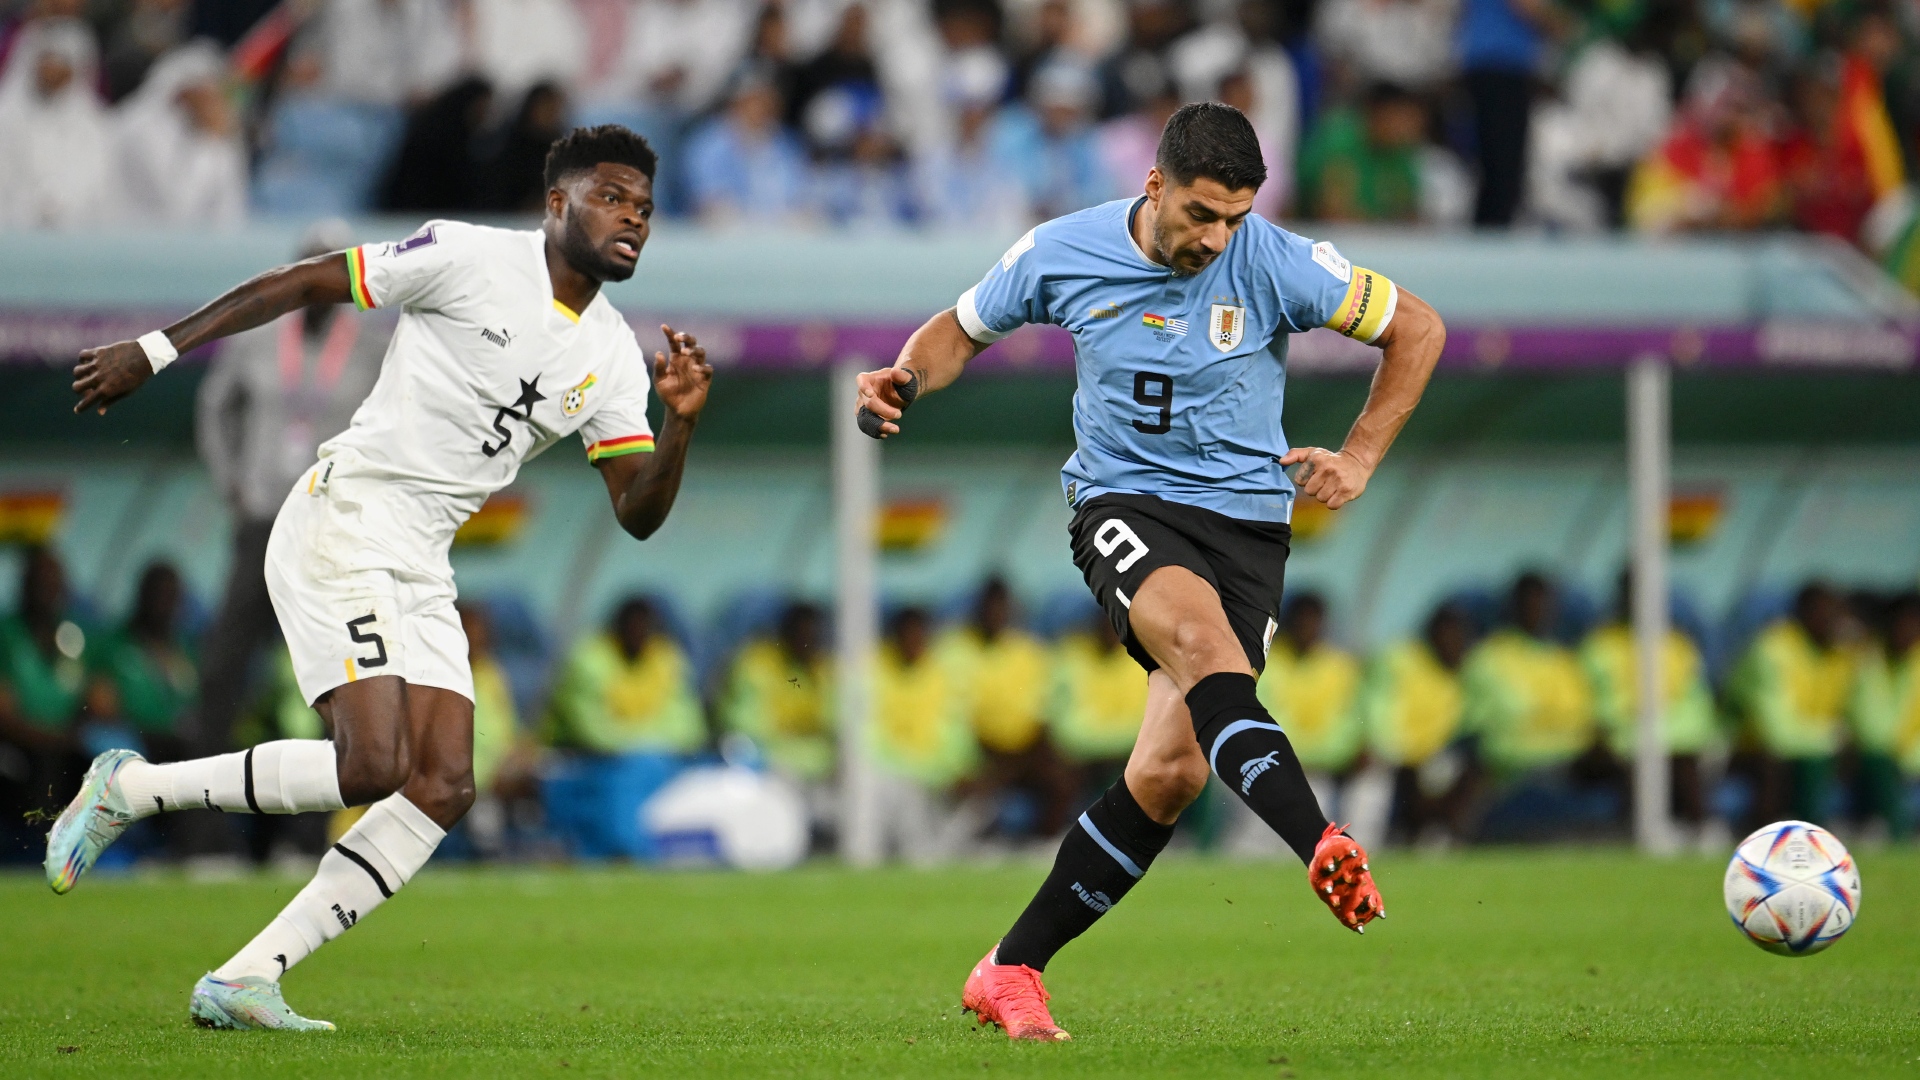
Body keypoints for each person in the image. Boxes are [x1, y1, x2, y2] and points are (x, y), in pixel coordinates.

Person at [49, 125, 714, 1031]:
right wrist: (159, 349)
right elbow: (309, 279)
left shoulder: (610, 351)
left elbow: (636, 513)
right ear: (555, 202)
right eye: (610, 196)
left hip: (421, 558)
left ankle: (246, 977)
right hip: (346, 516)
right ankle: (129, 791)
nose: (631, 218)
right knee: (372, 764)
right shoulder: (468, 255)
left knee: (443, 785)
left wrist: (678, 425)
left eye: (643, 207)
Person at [856, 101, 1446, 1040]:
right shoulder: (1062, 250)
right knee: (1204, 647)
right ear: (1155, 185)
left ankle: (1008, 970)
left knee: (1171, 772)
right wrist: (905, 377)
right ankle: (1320, 840)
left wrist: (1363, 455)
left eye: (1236, 218)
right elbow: (958, 330)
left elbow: (1417, 328)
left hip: (1249, 531)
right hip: (1124, 506)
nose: (1217, 238)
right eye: (1203, 214)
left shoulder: (1275, 261)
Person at [190, 218, 388, 859]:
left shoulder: (370, 345)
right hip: (261, 520)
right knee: (223, 672)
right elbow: (215, 407)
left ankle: (308, 838)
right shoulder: (257, 336)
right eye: (309, 268)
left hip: (327, 530)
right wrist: (232, 483)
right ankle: (204, 840)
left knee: (332, 683)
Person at [1579, 572, 1718, 840]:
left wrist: (1664, 734)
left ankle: (1701, 830)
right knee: (1639, 759)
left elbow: (1697, 707)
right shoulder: (1598, 646)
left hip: (1674, 741)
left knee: (1681, 758)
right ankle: (1644, 832)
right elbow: (1596, 707)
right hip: (1619, 742)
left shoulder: (1677, 645)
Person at [939, 578, 1077, 839]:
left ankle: (1044, 845)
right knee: (979, 785)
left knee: (1063, 777)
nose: (995, 614)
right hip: (980, 752)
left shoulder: (1028, 651)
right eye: (989, 608)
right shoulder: (955, 650)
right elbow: (955, 716)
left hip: (1023, 751)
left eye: (1001, 607)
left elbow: (1042, 712)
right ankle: (966, 846)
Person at [1242, 593, 1366, 854]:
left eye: (1315, 621)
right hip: (1273, 767)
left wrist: (1327, 757)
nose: (1308, 628)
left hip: (1325, 768)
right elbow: (1266, 721)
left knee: (1364, 793)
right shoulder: (1267, 663)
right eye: (1302, 620)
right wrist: (1303, 757)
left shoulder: (1340, 667)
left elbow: (1348, 727)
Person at [1729, 583, 1857, 828]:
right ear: (1803, 615)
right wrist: (1832, 736)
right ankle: (1766, 839)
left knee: (1868, 755)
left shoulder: (1845, 654)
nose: (1834, 620)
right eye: (1825, 612)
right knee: (1778, 762)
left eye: (1837, 613)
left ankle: (1855, 829)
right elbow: (1776, 733)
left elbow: (1867, 722)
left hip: (1815, 749)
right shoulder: (1771, 649)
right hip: (1749, 751)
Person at [869, 606, 981, 863]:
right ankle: (922, 858)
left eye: (918, 635)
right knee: (906, 795)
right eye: (907, 636)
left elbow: (956, 736)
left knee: (982, 795)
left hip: (936, 779)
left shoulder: (943, 675)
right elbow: (871, 744)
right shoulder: (875, 672)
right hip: (897, 779)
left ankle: (946, 856)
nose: (913, 642)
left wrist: (959, 770)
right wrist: (929, 772)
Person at [1360, 601, 1473, 845]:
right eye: (1448, 634)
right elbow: (1377, 713)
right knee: (1371, 785)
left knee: (1450, 770)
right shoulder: (1398, 659)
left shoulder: (1461, 676)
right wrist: (1404, 755)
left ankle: (1435, 842)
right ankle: (1361, 852)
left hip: (1427, 760)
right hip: (1390, 754)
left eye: (1459, 636)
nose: (1453, 642)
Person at [545, 597, 704, 757]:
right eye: (632, 627)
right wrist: (647, 741)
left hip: (652, 760)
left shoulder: (668, 660)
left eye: (645, 628)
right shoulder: (589, 659)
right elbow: (590, 733)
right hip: (585, 761)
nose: (638, 633)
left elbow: (689, 729)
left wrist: (640, 742)